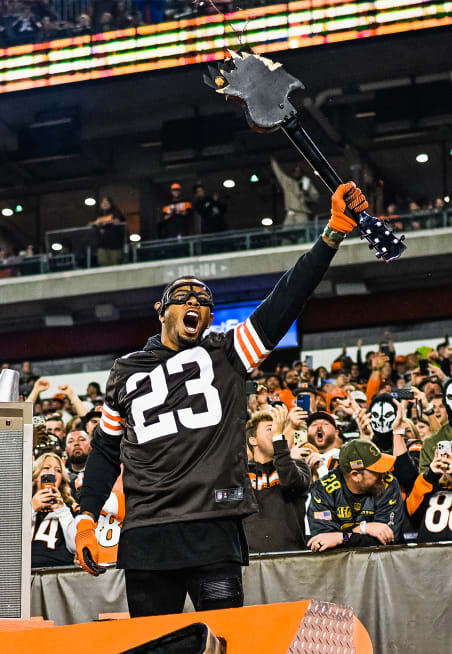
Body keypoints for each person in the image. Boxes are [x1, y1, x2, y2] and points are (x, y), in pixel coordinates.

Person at [75, 182, 370, 617]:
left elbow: (283, 302)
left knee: (226, 643)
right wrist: (86, 516)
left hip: (212, 526)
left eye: (205, 301)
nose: (196, 302)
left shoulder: (227, 354)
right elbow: (104, 448)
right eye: (185, 297)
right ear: (161, 310)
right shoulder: (125, 370)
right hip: (148, 534)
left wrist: (331, 234)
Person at [306, 439, 410, 551]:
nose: (384, 473)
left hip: (383, 561)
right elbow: (324, 542)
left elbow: (388, 539)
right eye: (376, 470)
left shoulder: (387, 483)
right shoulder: (323, 490)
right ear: (355, 475)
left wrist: (342, 537)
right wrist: (364, 529)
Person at [244, 404, 311, 553]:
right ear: (253, 440)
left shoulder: (298, 466)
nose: (276, 432)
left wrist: (280, 437)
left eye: (277, 429)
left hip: (290, 560)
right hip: (250, 562)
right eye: (270, 429)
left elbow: (291, 483)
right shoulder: (240, 474)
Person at [30, 454, 78, 569]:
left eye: (58, 470)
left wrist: (62, 511)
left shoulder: (70, 508)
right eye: (46, 468)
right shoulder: (20, 506)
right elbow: (10, 543)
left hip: (58, 570)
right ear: (35, 475)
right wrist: (32, 510)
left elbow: (75, 547)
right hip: (25, 571)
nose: (52, 472)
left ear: (62, 479)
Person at [90, 196, 126, 267]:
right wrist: (97, 223)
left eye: (106, 202)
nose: (104, 204)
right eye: (103, 202)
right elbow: (92, 223)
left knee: (115, 263)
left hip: (115, 244)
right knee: (103, 262)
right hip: (102, 244)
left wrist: (105, 222)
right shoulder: (99, 214)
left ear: (110, 204)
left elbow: (117, 220)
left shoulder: (115, 212)